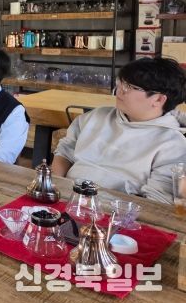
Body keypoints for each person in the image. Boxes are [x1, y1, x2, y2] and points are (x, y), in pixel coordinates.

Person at [52, 57, 186, 204]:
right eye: (120, 83)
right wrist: (56, 187)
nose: (119, 91)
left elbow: (156, 201)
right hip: (67, 197)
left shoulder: (172, 145)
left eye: (129, 87)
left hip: (115, 210)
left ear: (158, 99)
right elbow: (65, 152)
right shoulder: (97, 116)